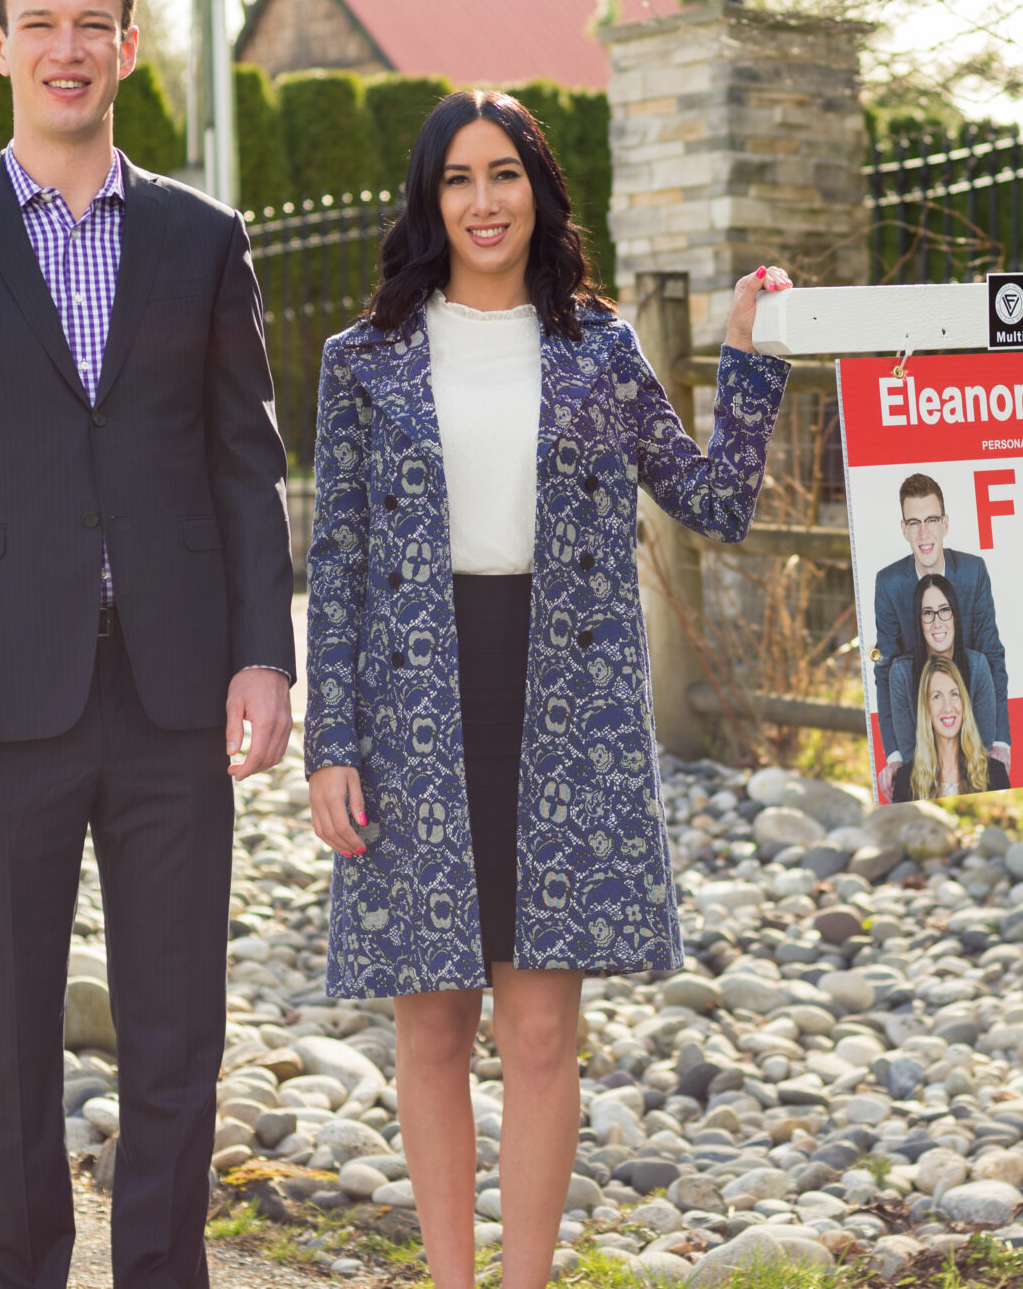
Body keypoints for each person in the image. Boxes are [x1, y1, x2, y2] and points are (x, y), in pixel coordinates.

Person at [0, 0, 297, 1289]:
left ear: (127, 45)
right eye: (38, 22)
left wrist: (263, 654)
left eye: (89, 22)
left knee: (178, 1031)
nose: (65, 47)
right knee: (10, 1022)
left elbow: (242, 457)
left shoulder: (200, 236)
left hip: (173, 695)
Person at [298, 90, 791, 1289]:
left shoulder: (598, 346)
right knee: (429, 1026)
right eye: (458, 178)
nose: (482, 200)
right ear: (429, 200)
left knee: (536, 1029)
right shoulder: (360, 364)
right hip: (414, 709)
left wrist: (751, 360)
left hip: (566, 714)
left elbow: (713, 498)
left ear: (538, 191)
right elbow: (340, 565)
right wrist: (330, 742)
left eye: (503, 174)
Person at [869, 472, 1006, 801]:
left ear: (945, 523)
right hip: (916, 719)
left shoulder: (973, 571)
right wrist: (896, 758)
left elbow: (992, 654)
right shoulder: (888, 583)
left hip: (972, 712)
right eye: (914, 523)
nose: (924, 533)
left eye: (931, 520)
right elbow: (884, 670)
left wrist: (1000, 741)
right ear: (903, 529)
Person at [879, 571, 1005, 798]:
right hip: (924, 787)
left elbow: (983, 741)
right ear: (919, 621)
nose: (937, 622)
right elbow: (909, 751)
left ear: (955, 616)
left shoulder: (977, 666)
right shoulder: (902, 673)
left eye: (944, 611)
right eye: (928, 613)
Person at [899, 654, 1005, 801]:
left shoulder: (995, 772)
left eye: (954, 694)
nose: (948, 707)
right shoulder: (904, 780)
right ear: (926, 708)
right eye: (937, 696)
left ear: (964, 702)